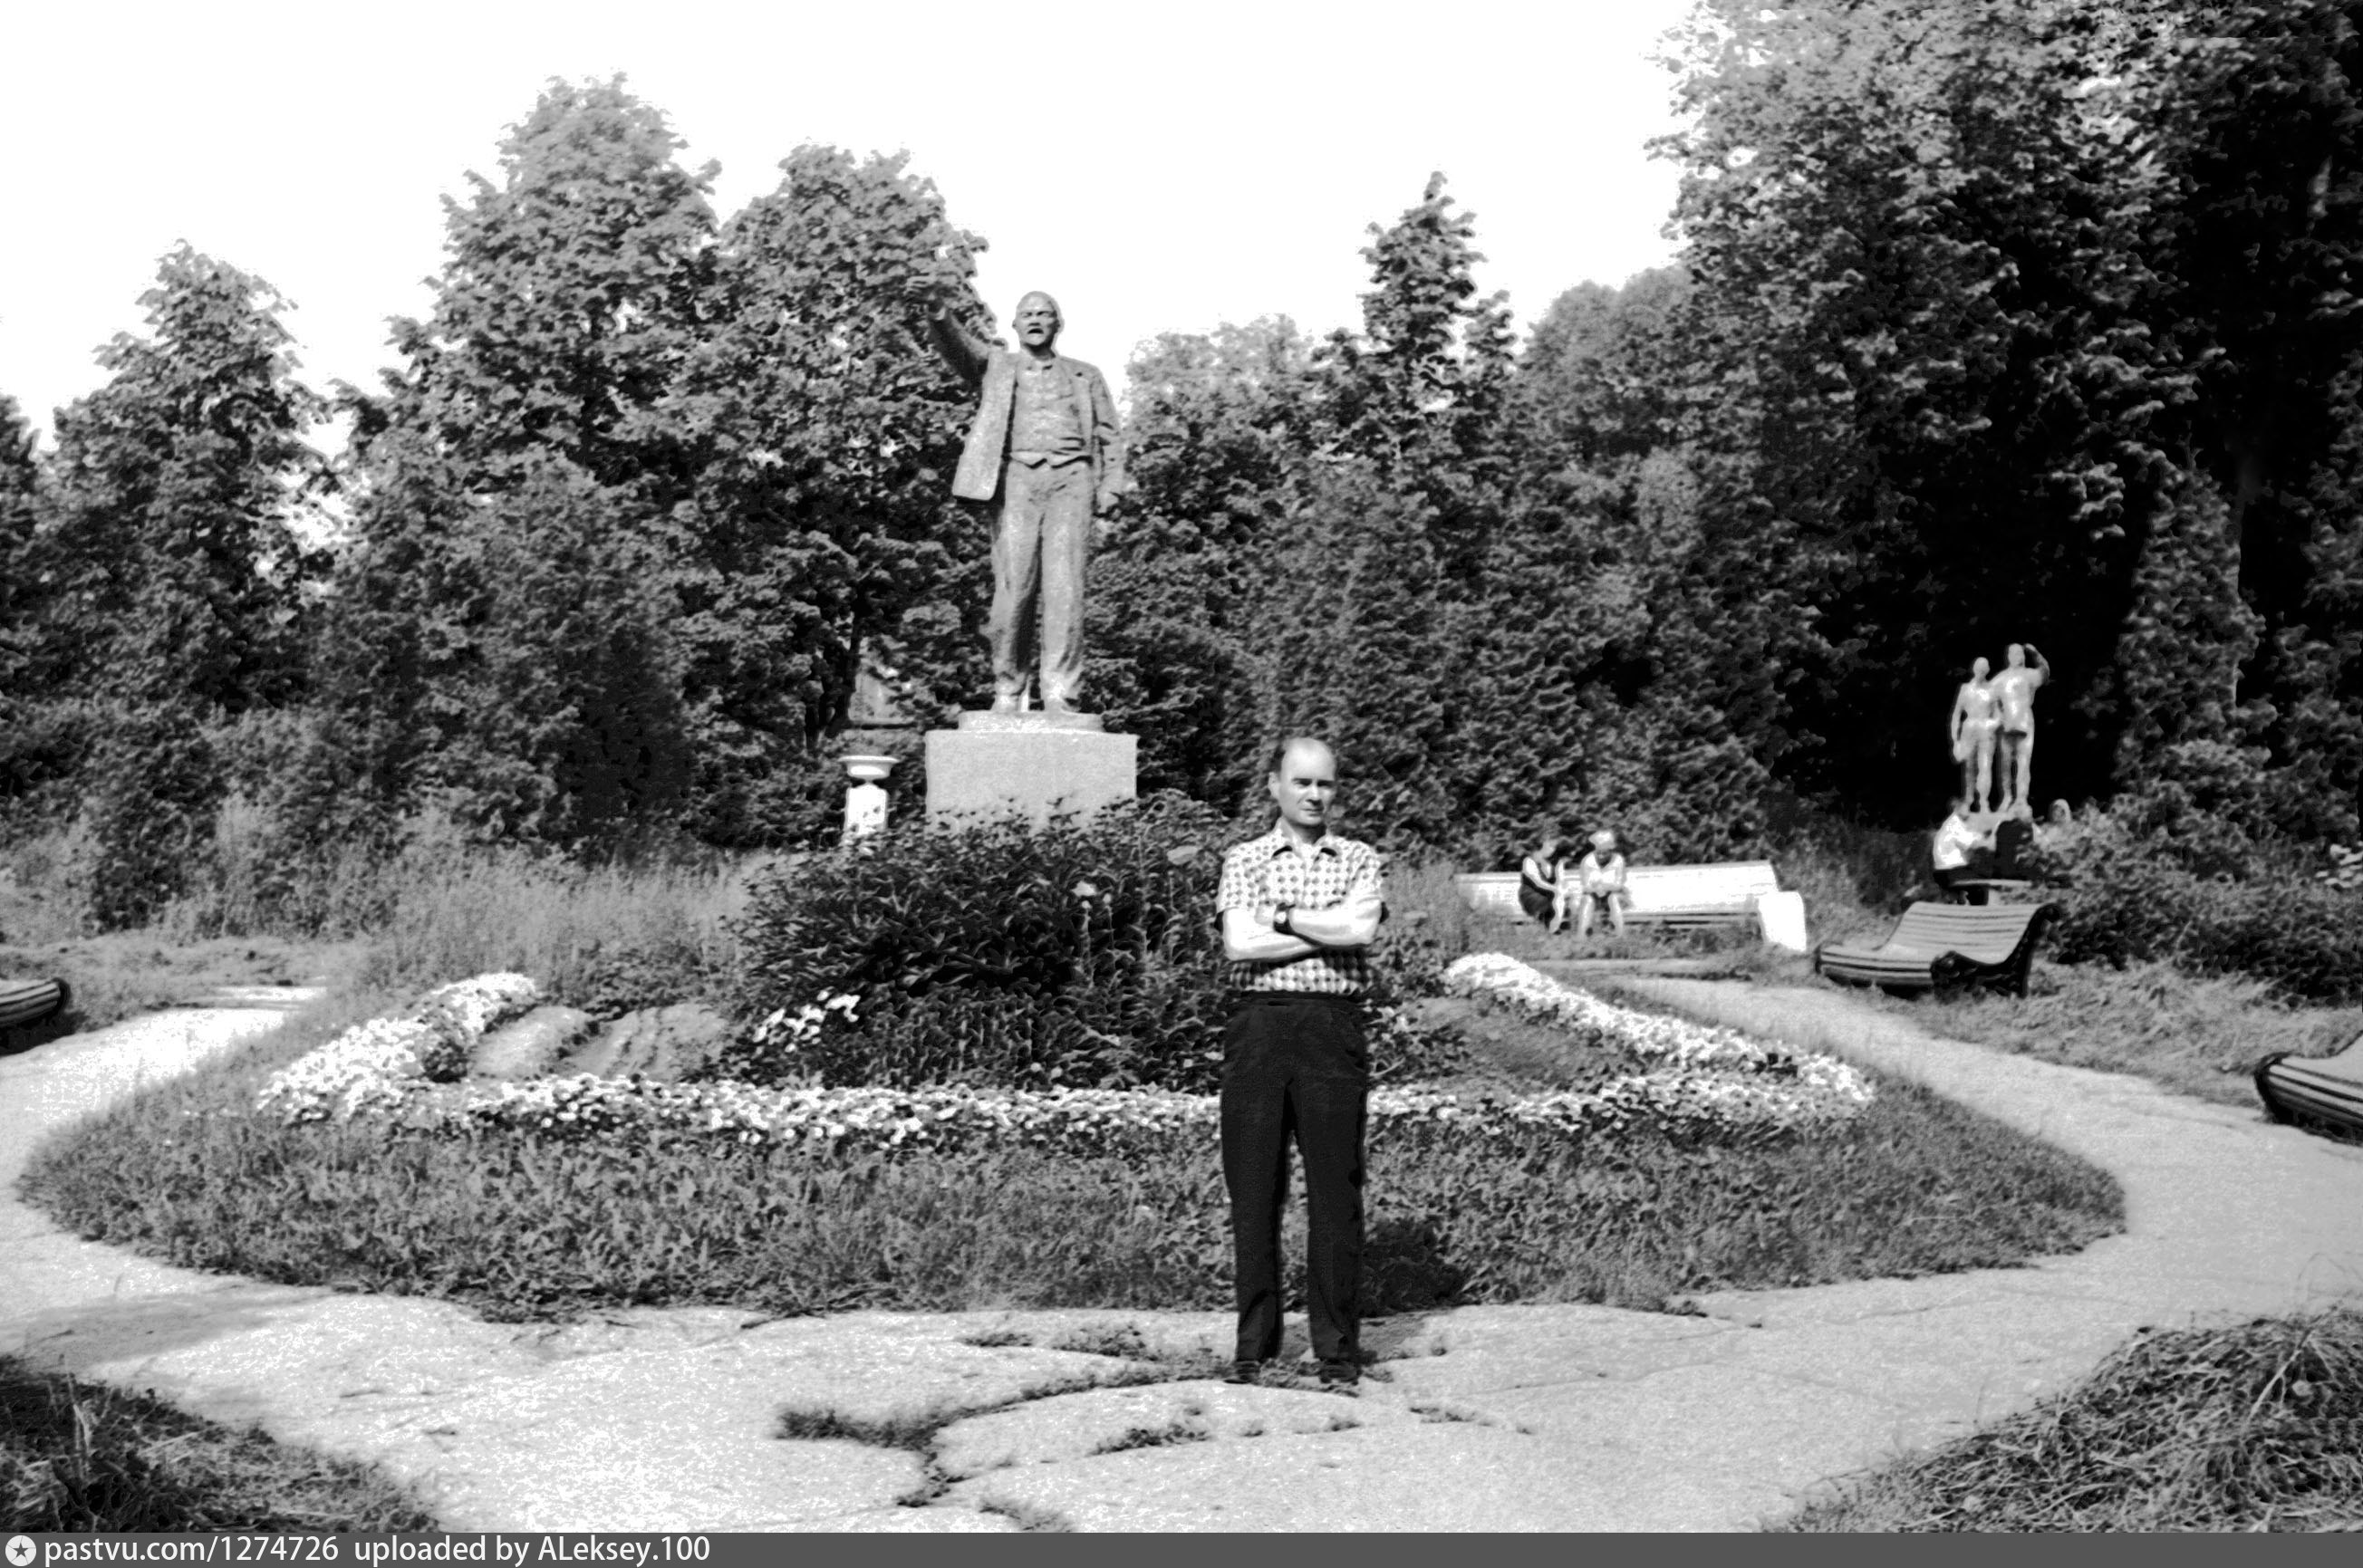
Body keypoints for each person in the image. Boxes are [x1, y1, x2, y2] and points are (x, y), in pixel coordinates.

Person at [1214, 736, 1384, 1390]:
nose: (1315, 795)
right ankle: (1253, 1346)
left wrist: (1280, 917)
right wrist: (1320, 925)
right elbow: (1238, 942)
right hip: (1257, 1029)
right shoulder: (1246, 857)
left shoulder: (1361, 858)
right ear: (1274, 785)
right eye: (1302, 782)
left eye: (1326, 784)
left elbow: (1360, 931)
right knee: (1254, 1191)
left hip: (1331, 1030)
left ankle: (1337, 1352)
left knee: (1335, 1194)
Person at [921, 289, 1124, 714]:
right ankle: (1009, 689)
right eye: (1027, 314)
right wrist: (940, 313)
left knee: (1065, 589)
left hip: (1073, 479)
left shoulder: (1085, 375)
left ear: (1058, 324)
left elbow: (1109, 436)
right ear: (1014, 325)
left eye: (1045, 314)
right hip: (1017, 480)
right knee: (1015, 589)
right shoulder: (998, 365)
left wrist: (1111, 488)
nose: (1035, 320)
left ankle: (1060, 691)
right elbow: (960, 351)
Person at [1992, 642, 2052, 815]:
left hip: (2025, 723)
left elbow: (2045, 672)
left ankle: (2021, 799)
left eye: (2021, 653)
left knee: (2023, 763)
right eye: (2015, 653)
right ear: (2008, 656)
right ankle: (2007, 797)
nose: (2019, 656)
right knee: (2004, 764)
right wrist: (1997, 715)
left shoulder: (2028, 675)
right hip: (2006, 725)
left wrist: (2036, 654)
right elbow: (1988, 696)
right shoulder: (2001, 678)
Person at [1949, 657, 2001, 813]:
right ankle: (1968, 799)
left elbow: (1999, 716)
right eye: (1979, 669)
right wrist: (1955, 740)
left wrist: (1991, 724)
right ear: (1974, 669)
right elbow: (1956, 714)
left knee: (1985, 766)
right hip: (1970, 729)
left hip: (1985, 730)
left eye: (1983, 669)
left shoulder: (1992, 690)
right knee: (1969, 767)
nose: (1981, 672)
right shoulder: (1966, 689)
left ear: (1987, 671)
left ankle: (1983, 801)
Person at [1932, 797, 1996, 900]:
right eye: (1966, 809)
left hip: (1945, 871)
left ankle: (1964, 905)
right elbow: (1973, 844)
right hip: (1949, 871)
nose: (1969, 812)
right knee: (1983, 880)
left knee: (1980, 875)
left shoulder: (1953, 823)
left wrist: (1982, 836)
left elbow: (1972, 837)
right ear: (1957, 809)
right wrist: (1991, 841)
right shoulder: (1954, 824)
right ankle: (1977, 913)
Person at [1574, 830, 1628, 938]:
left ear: (1610, 851)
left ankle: (1620, 934)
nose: (1601, 856)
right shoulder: (1587, 861)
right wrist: (1596, 889)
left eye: (1605, 853)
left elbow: (1619, 884)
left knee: (1613, 899)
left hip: (1615, 895)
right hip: (1593, 895)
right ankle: (1581, 935)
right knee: (1588, 901)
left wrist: (1606, 888)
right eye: (1598, 853)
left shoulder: (1618, 860)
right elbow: (1585, 886)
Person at [1519, 835, 1571, 932]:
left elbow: (1561, 880)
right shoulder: (1529, 861)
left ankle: (1556, 925)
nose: (1553, 850)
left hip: (1551, 895)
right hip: (1532, 895)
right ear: (1541, 846)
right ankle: (1555, 927)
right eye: (1550, 846)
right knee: (1557, 896)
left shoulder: (1557, 862)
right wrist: (1556, 890)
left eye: (1555, 847)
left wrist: (1563, 889)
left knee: (1565, 895)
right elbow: (1538, 883)